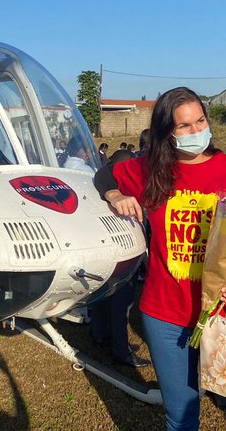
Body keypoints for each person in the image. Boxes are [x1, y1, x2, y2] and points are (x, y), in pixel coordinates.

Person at [93, 87, 226, 431]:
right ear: (166, 132)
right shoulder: (148, 170)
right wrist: (114, 194)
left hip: (222, 314)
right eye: (184, 126)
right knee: (181, 417)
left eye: (200, 121)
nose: (196, 131)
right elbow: (104, 175)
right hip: (165, 315)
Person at [89, 149, 151, 368]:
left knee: (101, 298)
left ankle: (100, 336)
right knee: (121, 305)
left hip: (104, 257)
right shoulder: (123, 199)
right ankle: (120, 350)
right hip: (124, 257)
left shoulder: (99, 194)